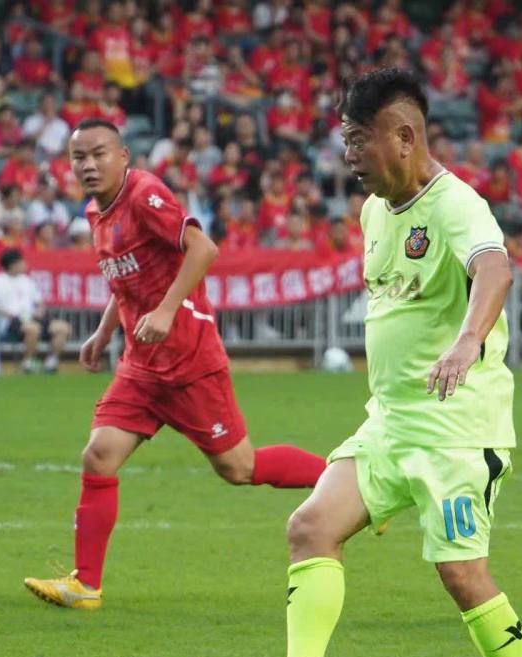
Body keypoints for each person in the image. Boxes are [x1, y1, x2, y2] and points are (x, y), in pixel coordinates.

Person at [229, 69, 522, 657]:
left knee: (461, 573)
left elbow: (494, 269)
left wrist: (467, 340)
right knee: (310, 526)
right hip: (390, 422)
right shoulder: (375, 211)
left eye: (358, 138)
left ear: (404, 137)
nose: (348, 154)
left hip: (457, 431)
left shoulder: (457, 205)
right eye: (344, 139)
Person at [23, 119, 328, 611]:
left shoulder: (145, 194)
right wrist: (104, 331)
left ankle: (351, 484)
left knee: (239, 467)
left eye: (99, 153)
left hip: (189, 361)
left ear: (123, 156)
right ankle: (85, 585)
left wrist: (166, 311)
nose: (89, 165)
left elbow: (204, 248)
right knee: (98, 456)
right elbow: (129, 280)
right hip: (142, 367)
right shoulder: (96, 212)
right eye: (79, 157)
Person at [0, 248, 71, 373]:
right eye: (21, 262)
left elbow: (39, 302)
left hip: (32, 318)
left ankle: (51, 362)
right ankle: (28, 363)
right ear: (13, 264)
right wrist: (9, 314)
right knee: (32, 329)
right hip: (11, 322)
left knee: (62, 328)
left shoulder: (27, 281)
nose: (25, 264)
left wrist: (39, 311)